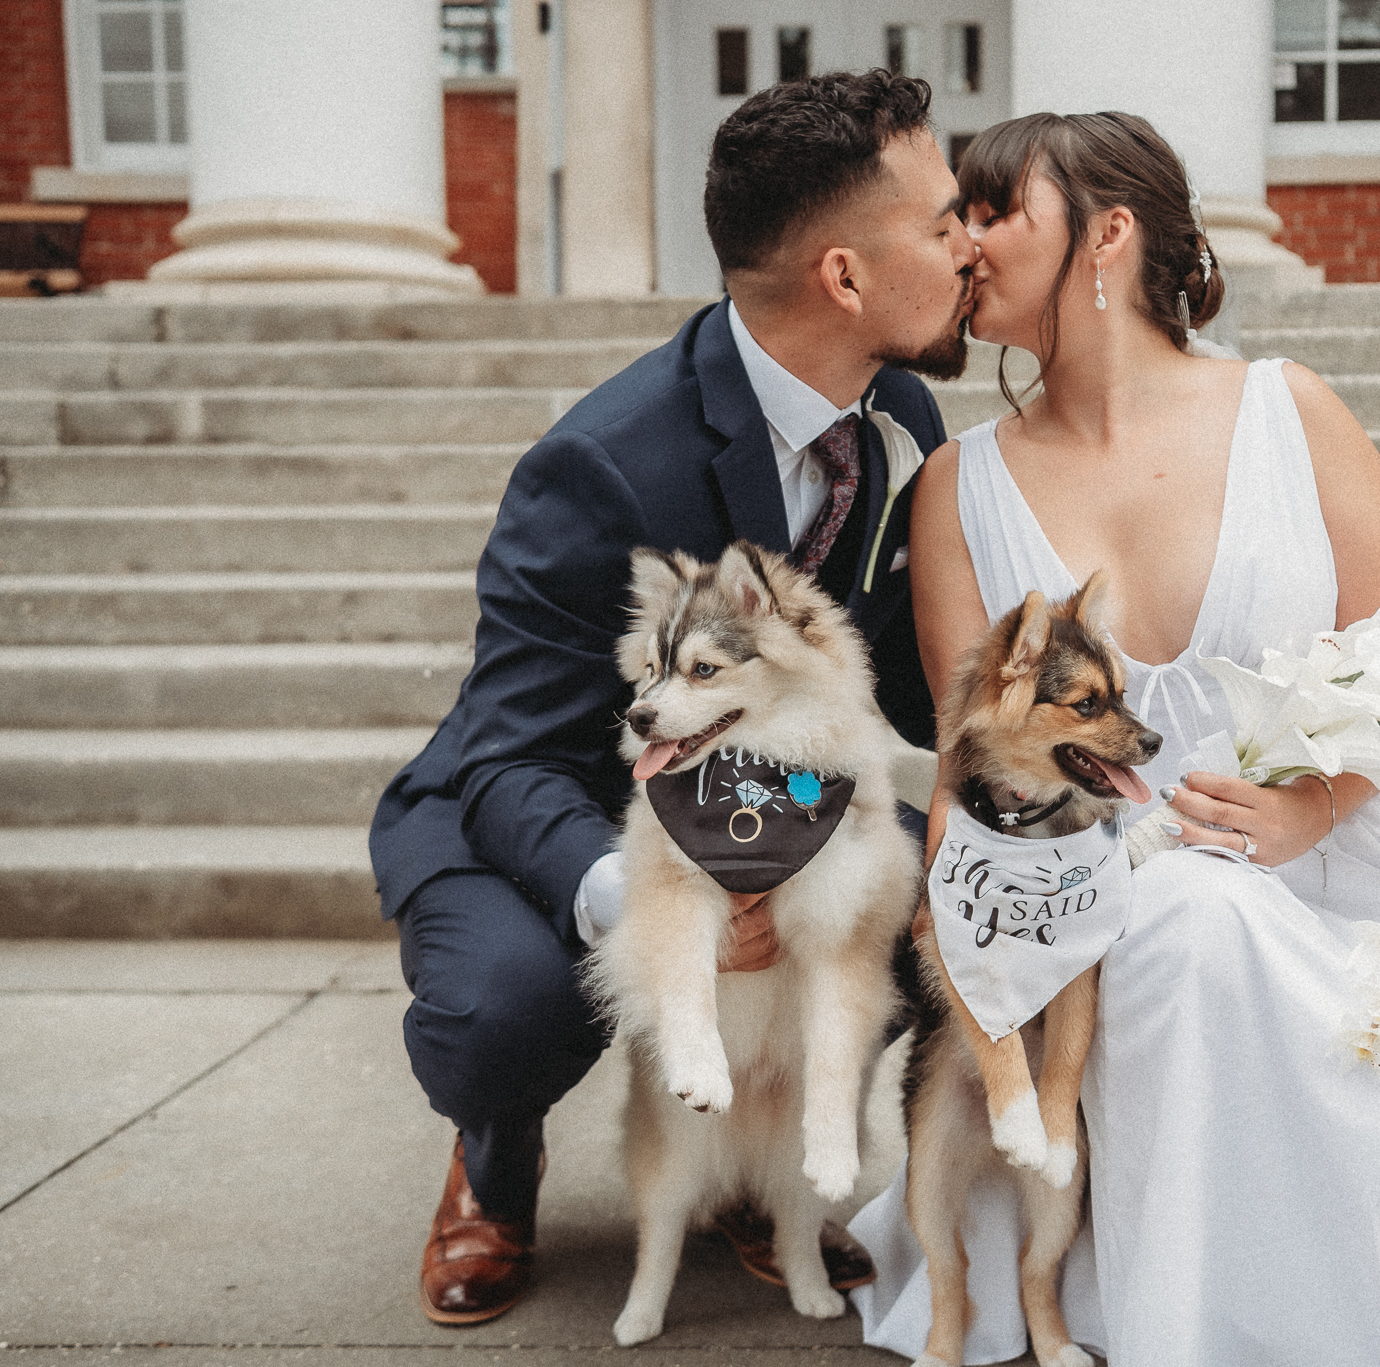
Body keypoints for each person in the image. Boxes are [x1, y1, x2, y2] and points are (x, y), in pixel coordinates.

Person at [847, 112, 1380, 1366]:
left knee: (1206, 916)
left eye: (995, 208)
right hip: (1077, 906)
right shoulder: (957, 487)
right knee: (1178, 918)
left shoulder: (1292, 413)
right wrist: (964, 941)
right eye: (955, 211)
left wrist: (1311, 809)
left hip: (1319, 880)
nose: (963, 238)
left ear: (1105, 233)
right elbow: (972, 771)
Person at [368, 69, 978, 1326]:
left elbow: (906, 694)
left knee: (951, 902)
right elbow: (506, 757)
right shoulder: (600, 461)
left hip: (777, 802)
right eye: (940, 222)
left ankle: (765, 1169)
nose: (970, 244)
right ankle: (493, 1157)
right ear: (844, 277)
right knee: (511, 1007)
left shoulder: (900, 413)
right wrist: (660, 899)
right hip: (570, 816)